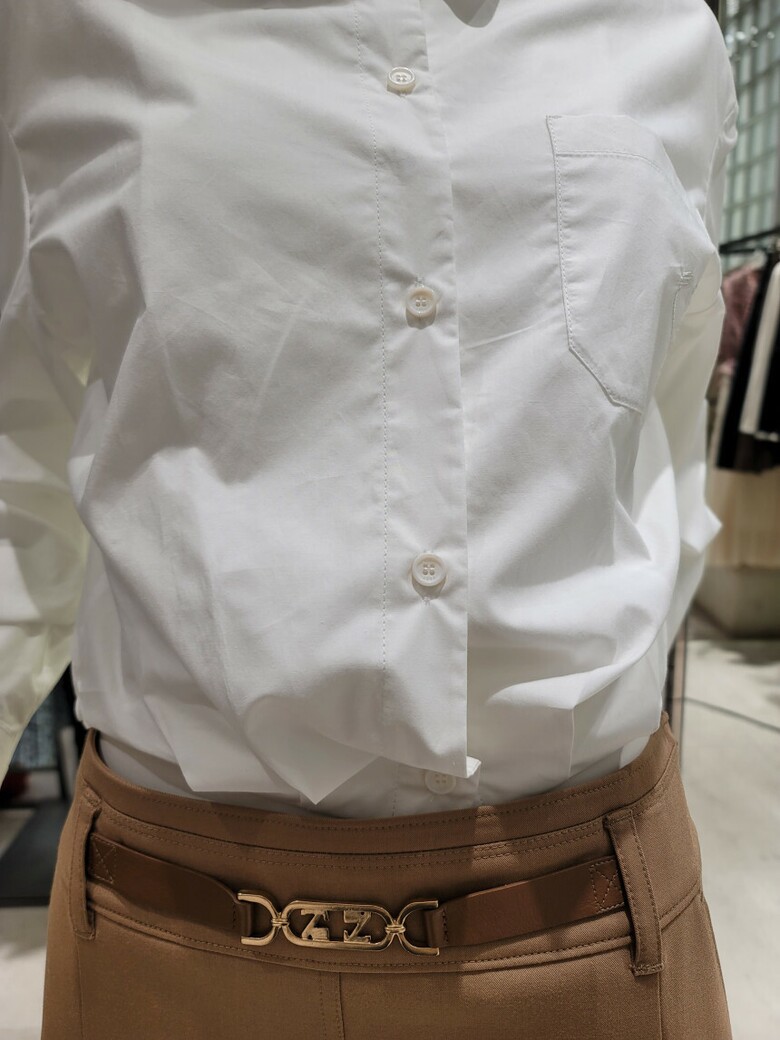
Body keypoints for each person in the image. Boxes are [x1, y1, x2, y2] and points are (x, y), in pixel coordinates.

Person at [0, 1, 736, 1036]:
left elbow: (666, 416)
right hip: (162, 931)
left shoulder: (662, 31)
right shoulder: (64, 27)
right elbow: (15, 447)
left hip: (587, 927)